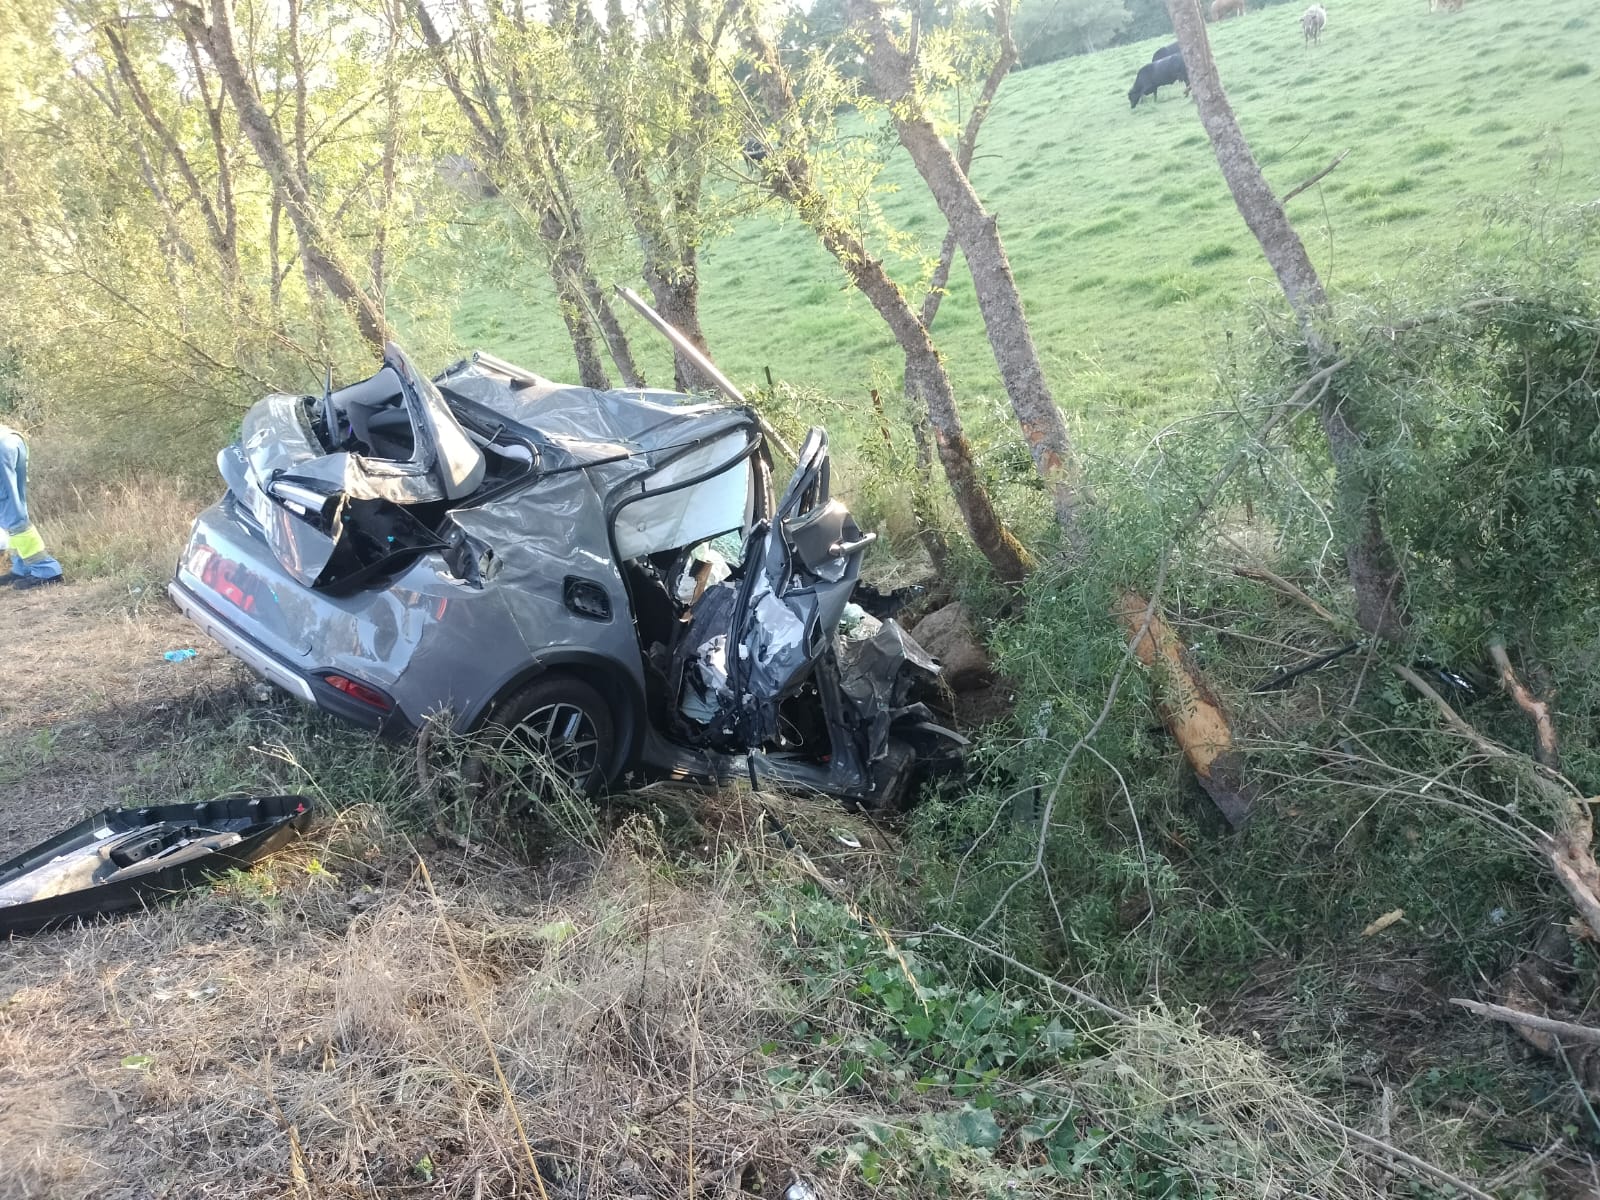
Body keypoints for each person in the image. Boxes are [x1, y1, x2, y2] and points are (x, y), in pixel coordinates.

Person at [0, 422, 65, 590]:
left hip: (3, 448)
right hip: (11, 439)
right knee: (14, 510)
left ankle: (46, 570)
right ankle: (23, 567)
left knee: (10, 514)